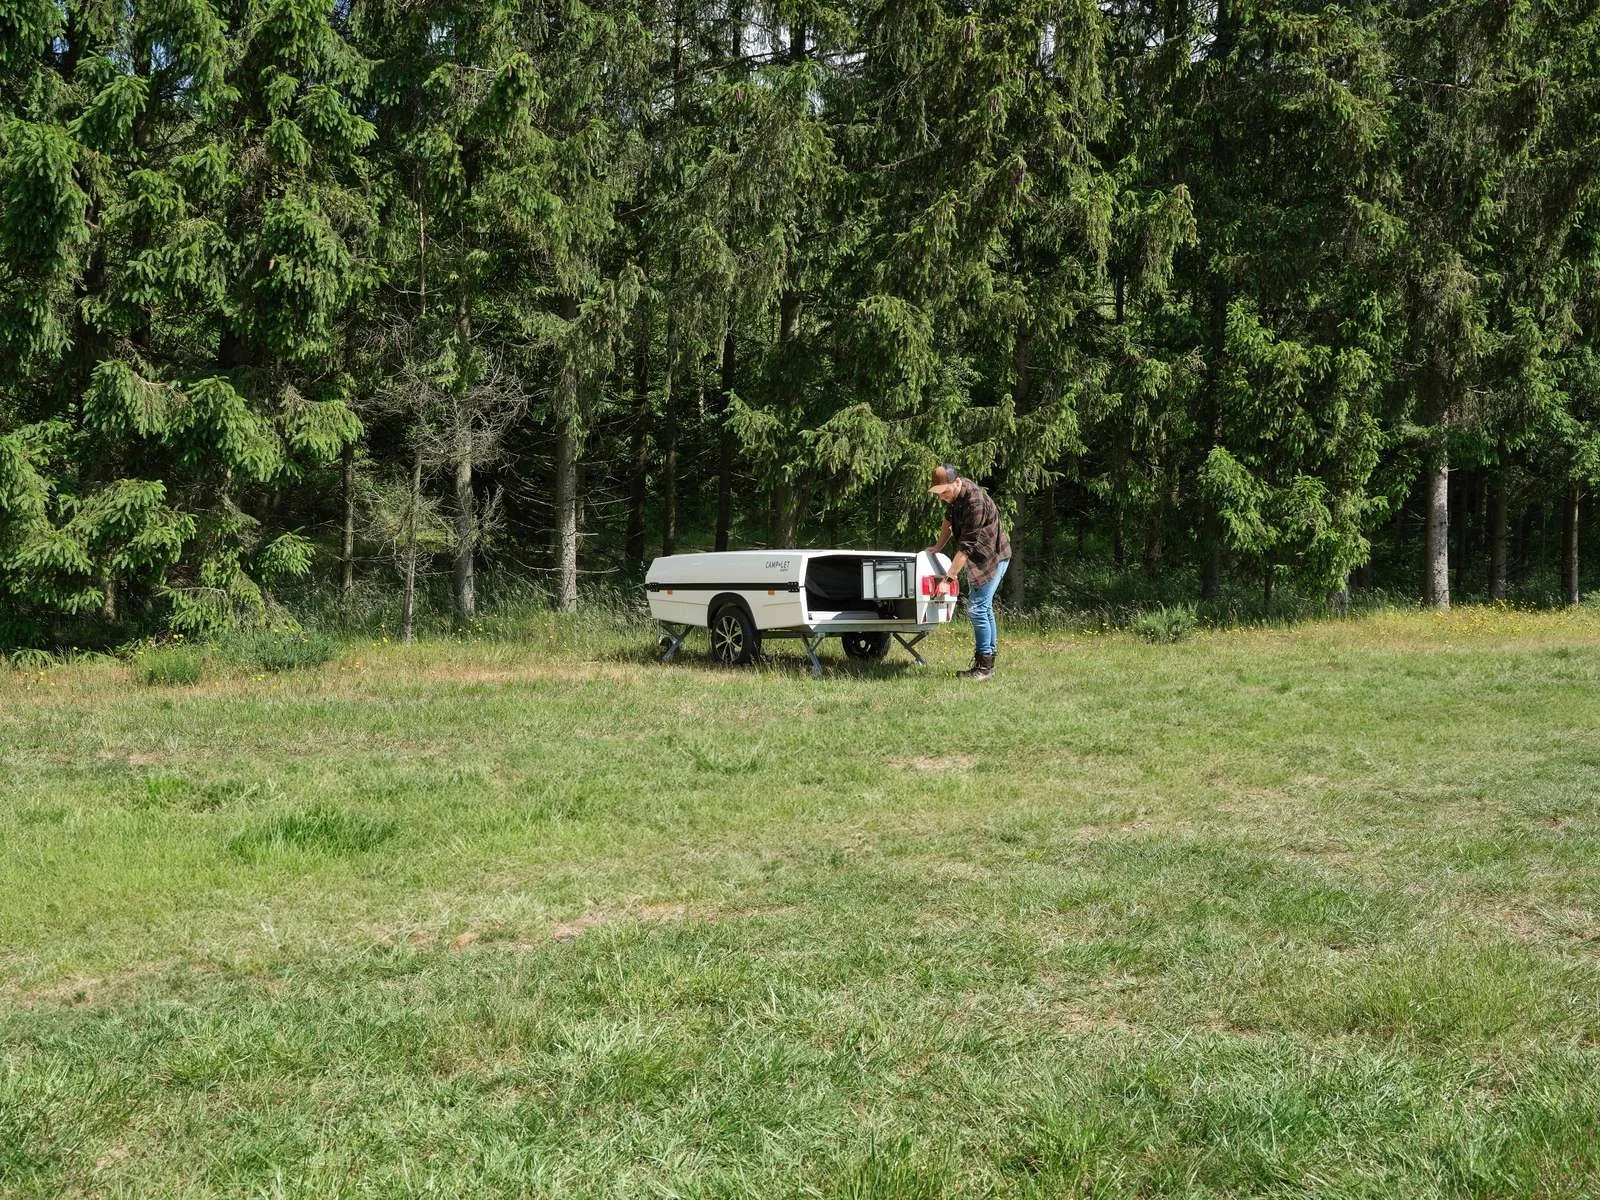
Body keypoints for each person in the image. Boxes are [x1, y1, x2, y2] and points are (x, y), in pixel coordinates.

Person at [927, 464, 1011, 681]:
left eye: (944, 492)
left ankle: (984, 669)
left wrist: (948, 578)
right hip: (981, 556)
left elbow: (966, 547)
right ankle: (988, 662)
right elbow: (948, 521)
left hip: (993, 556)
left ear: (957, 482)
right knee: (983, 607)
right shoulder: (955, 497)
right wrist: (938, 546)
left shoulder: (974, 501)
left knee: (977, 608)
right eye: (938, 493)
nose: (942, 497)